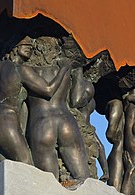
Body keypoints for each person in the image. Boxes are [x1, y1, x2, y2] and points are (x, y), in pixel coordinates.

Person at [0, 36, 67, 165]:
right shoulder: (21, 69)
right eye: (25, 45)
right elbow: (48, 90)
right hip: (7, 124)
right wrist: (64, 70)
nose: (30, 48)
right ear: (15, 48)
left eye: (31, 47)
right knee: (28, 168)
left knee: (10, 173)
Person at [26, 36, 90, 182]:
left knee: (48, 183)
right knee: (84, 179)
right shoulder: (64, 70)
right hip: (66, 120)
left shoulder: (28, 71)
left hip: (42, 124)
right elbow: (75, 101)